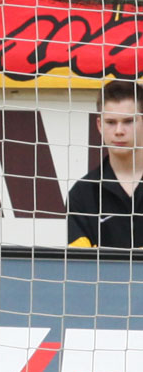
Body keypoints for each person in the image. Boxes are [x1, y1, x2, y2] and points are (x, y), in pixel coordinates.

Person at [68, 79, 143, 248]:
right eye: (111, 122)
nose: (119, 131)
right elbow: (79, 261)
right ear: (99, 125)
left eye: (128, 121)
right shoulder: (82, 194)